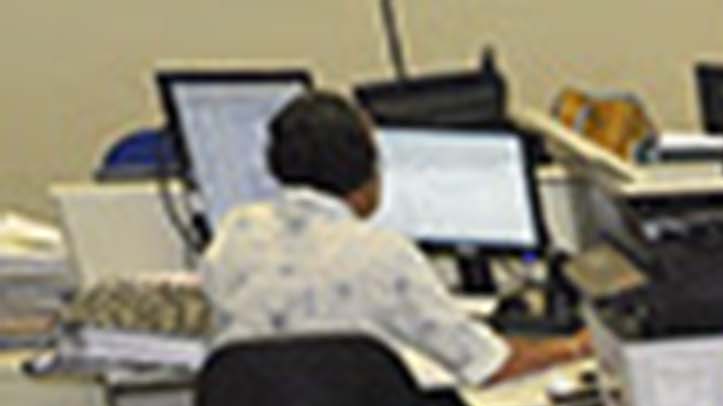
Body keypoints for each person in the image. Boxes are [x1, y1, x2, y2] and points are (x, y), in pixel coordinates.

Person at [201, 92, 587, 390]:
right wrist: (577, 347)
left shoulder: (235, 232)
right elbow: (489, 364)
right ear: (366, 173)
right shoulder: (381, 254)